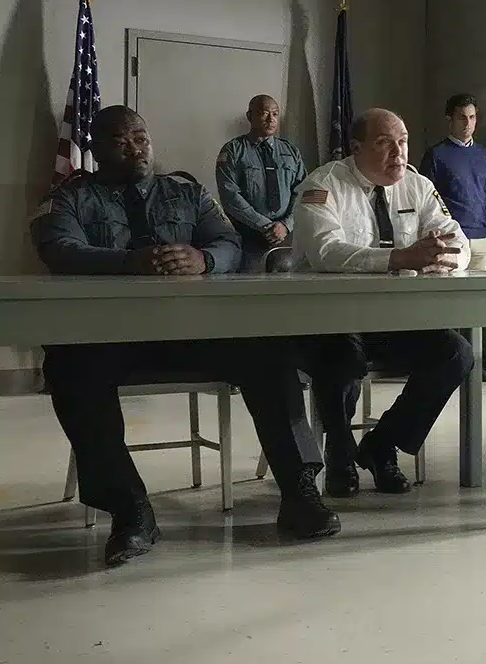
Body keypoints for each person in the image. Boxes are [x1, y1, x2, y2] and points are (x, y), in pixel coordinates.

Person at [31, 105, 340, 566]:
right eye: (119, 140)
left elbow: (228, 242)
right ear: (95, 148)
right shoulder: (71, 197)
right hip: (110, 338)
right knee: (67, 367)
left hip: (194, 332)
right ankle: (130, 510)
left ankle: (299, 493)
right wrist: (128, 263)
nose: (135, 147)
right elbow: (58, 249)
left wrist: (204, 259)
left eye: (140, 136)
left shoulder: (186, 192)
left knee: (269, 350)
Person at [293, 108, 475, 497]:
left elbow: (459, 243)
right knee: (341, 355)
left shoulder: (418, 186)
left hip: (396, 321)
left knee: (456, 353)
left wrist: (443, 258)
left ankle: (382, 444)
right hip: (330, 322)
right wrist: (400, 258)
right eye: (384, 143)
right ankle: (340, 450)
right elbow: (325, 251)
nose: (399, 152)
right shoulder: (323, 185)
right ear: (356, 148)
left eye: (403, 141)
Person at [215, 94, 307, 272]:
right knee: (249, 284)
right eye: (264, 113)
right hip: (248, 237)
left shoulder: (290, 151)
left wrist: (286, 225)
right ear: (250, 116)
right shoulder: (233, 150)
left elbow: (302, 192)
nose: (271, 119)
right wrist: (265, 226)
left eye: (275, 114)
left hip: (286, 238)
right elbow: (230, 196)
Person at [417, 94, 486, 272]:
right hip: (451, 237)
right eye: (462, 117)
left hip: (482, 238)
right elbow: (425, 199)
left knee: (478, 289)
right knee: (451, 288)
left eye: (472, 117)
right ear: (450, 120)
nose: (467, 123)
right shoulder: (435, 155)